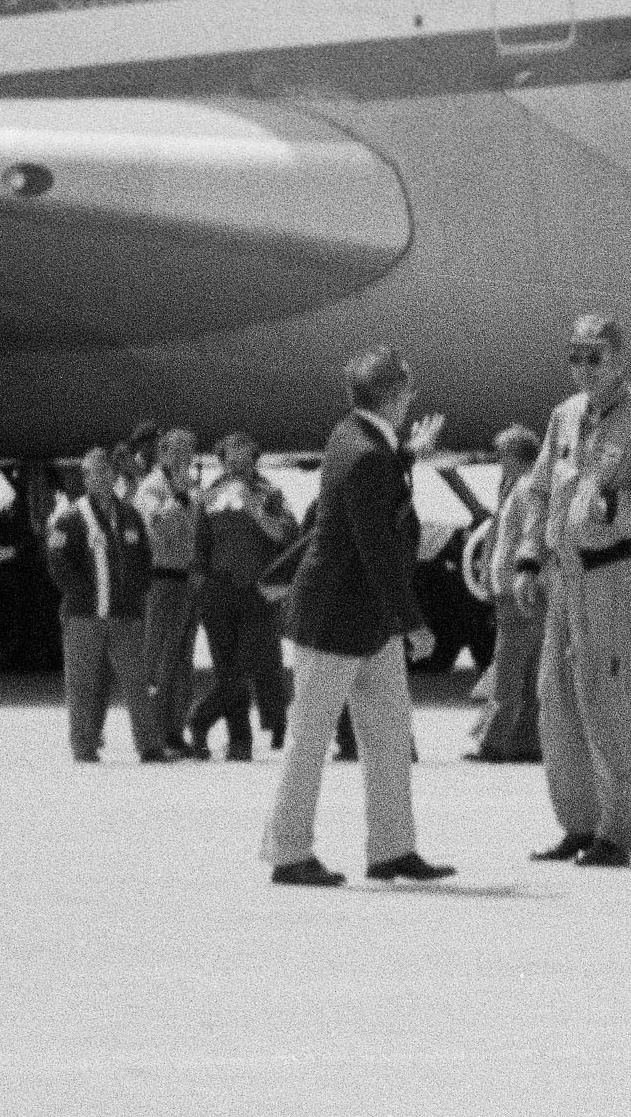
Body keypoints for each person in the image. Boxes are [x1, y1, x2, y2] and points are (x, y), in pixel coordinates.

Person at [260, 348, 452, 889]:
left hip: (365, 621)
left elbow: (377, 484)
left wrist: (408, 454)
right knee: (310, 737)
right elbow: (376, 549)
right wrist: (412, 620)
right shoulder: (367, 453)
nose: (412, 400)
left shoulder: (355, 437)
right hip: (337, 619)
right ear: (394, 395)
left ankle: (392, 848)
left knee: (389, 736)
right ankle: (288, 851)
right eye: (408, 391)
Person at [513, 317, 631, 865]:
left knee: (604, 698)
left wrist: (615, 508)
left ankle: (617, 830)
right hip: (564, 574)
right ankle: (578, 823)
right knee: (555, 697)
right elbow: (539, 488)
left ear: (620, 361)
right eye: (576, 357)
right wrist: (527, 557)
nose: (585, 369)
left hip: (610, 573)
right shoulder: (564, 417)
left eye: (597, 357)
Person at [44, 445, 165, 765]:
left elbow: (143, 559)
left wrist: (137, 592)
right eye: (92, 473)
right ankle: (84, 747)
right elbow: (57, 561)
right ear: (84, 478)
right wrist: (81, 594)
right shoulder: (69, 518)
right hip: (85, 617)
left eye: (104, 472)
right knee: (82, 685)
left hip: (125, 616)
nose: (99, 479)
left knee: (137, 682)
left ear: (114, 476)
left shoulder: (130, 515)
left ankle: (149, 745)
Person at [188, 432, 296, 762]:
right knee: (227, 671)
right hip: (218, 593)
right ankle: (239, 742)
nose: (238, 460)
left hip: (256, 593)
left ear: (254, 457)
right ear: (222, 459)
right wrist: (201, 595)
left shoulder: (270, 493)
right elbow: (199, 551)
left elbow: (287, 535)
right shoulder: (208, 496)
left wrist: (256, 512)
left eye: (245, 454)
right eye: (231, 455)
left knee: (253, 666)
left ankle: (200, 718)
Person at [469, 423, 545, 765]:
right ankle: (528, 741)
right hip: (518, 590)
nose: (500, 462)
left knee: (508, 669)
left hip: (517, 593)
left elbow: (530, 534)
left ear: (516, 457)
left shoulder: (527, 488)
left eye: (503, 455)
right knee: (528, 670)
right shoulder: (518, 487)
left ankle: (494, 742)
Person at [135, 426, 204, 758]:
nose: (183, 458)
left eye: (188, 451)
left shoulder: (191, 489)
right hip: (161, 581)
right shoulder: (152, 488)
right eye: (175, 451)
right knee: (158, 660)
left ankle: (176, 730)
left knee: (181, 663)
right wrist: (177, 499)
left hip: (187, 583)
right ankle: (153, 733)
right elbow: (156, 527)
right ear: (161, 453)